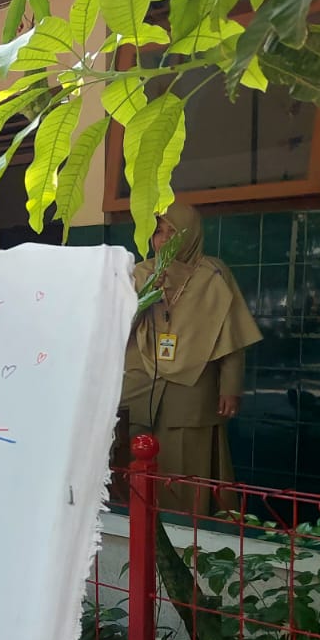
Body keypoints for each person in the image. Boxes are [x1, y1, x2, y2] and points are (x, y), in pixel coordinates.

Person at [120, 201, 263, 516]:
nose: (163, 240)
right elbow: (114, 329)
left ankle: (188, 535)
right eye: (158, 231)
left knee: (185, 466)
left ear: (191, 235)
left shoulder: (212, 274)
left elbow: (233, 334)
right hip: (141, 380)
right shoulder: (137, 272)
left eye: (173, 232)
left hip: (192, 387)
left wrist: (230, 385)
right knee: (132, 457)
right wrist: (143, 298)